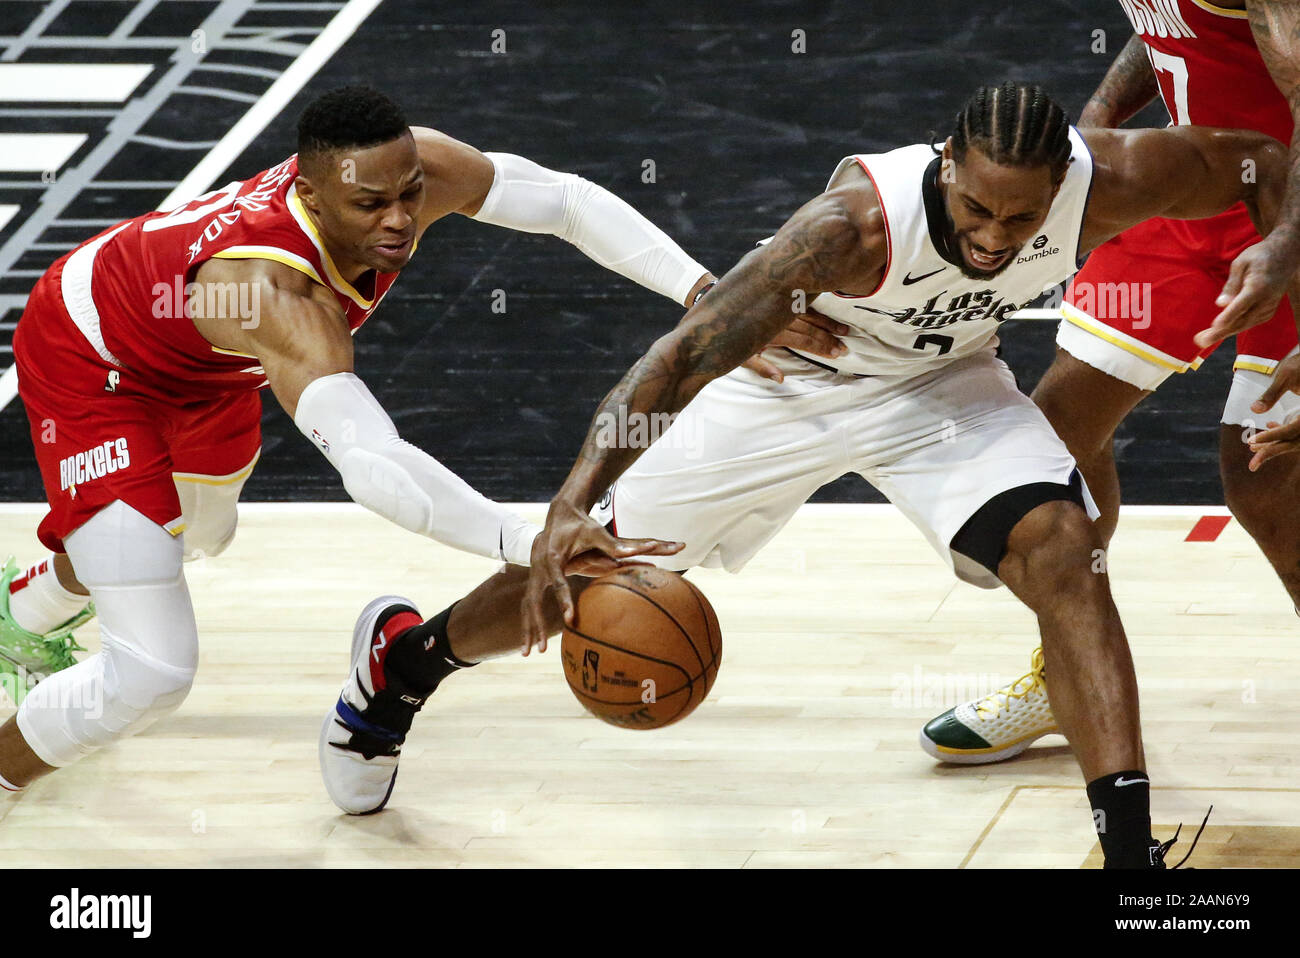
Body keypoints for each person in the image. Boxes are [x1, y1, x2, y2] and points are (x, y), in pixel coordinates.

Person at [0, 82, 763, 797]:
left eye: (408, 196)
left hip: (206, 371)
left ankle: (26, 610)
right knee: (152, 673)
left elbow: (564, 201)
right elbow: (373, 466)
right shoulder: (280, 297)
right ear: (310, 196)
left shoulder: (410, 170)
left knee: (200, 533)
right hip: (91, 364)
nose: (398, 220)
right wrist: (532, 540)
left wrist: (706, 295)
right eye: (369, 205)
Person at [922, 0, 1300, 765]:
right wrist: (1090, 126)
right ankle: (1068, 679)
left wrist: (1288, 242)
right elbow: (1166, 24)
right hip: (1195, 187)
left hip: (1285, 202)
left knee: (1262, 468)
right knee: (1055, 435)